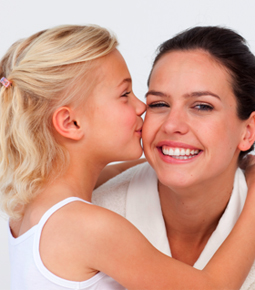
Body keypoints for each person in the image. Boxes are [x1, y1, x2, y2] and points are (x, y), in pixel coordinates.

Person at [1, 24, 255, 290]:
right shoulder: (93, 227)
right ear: (71, 123)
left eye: (202, 106)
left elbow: (110, 171)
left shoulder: (33, 201)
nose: (141, 106)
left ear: (248, 131)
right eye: (125, 94)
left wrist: (171, 153)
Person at [93, 26, 255, 290]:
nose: (172, 125)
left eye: (202, 106)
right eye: (159, 104)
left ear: (248, 132)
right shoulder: (92, 211)